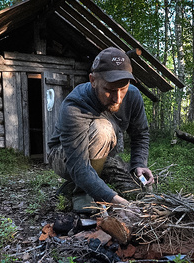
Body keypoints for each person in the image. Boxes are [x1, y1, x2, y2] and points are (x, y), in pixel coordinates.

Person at [47, 47, 154, 211]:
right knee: (102, 128)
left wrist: (139, 163)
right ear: (93, 80)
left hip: (103, 156)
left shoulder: (133, 96)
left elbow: (140, 134)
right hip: (65, 157)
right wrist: (116, 201)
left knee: (141, 191)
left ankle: (83, 184)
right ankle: (81, 192)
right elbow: (79, 165)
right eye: (109, 90)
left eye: (123, 89)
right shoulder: (75, 106)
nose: (117, 98)